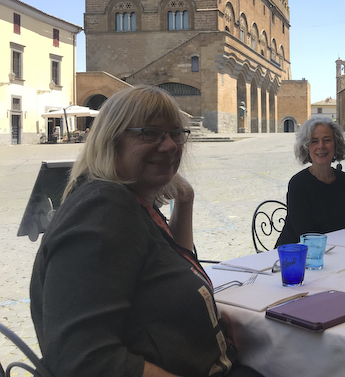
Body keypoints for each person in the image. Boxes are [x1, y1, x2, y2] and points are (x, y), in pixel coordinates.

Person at [30, 86, 262, 377]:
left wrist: (185, 199)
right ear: (111, 140)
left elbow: (177, 263)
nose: (170, 146)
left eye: (176, 134)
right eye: (149, 133)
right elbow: (83, 358)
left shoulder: (133, 201)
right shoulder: (103, 209)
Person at [276, 117, 345, 246]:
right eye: (314, 141)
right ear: (306, 147)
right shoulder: (298, 184)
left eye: (327, 140)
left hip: (334, 250)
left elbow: (343, 228)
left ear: (336, 144)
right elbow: (305, 234)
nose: (321, 146)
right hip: (295, 253)